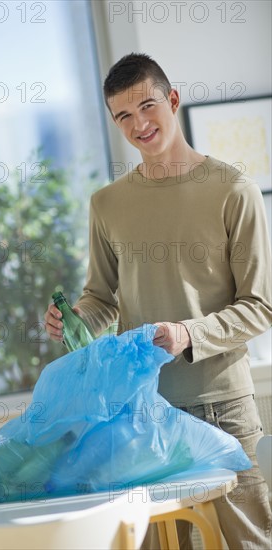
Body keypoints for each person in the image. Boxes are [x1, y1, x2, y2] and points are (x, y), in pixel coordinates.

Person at [44, 53, 272, 549]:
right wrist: (74, 319)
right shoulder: (107, 204)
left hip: (223, 408)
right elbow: (101, 297)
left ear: (172, 100)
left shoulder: (234, 190)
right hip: (142, 411)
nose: (139, 124)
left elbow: (261, 305)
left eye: (147, 106)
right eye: (123, 115)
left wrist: (190, 334)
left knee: (248, 542)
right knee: (158, 545)